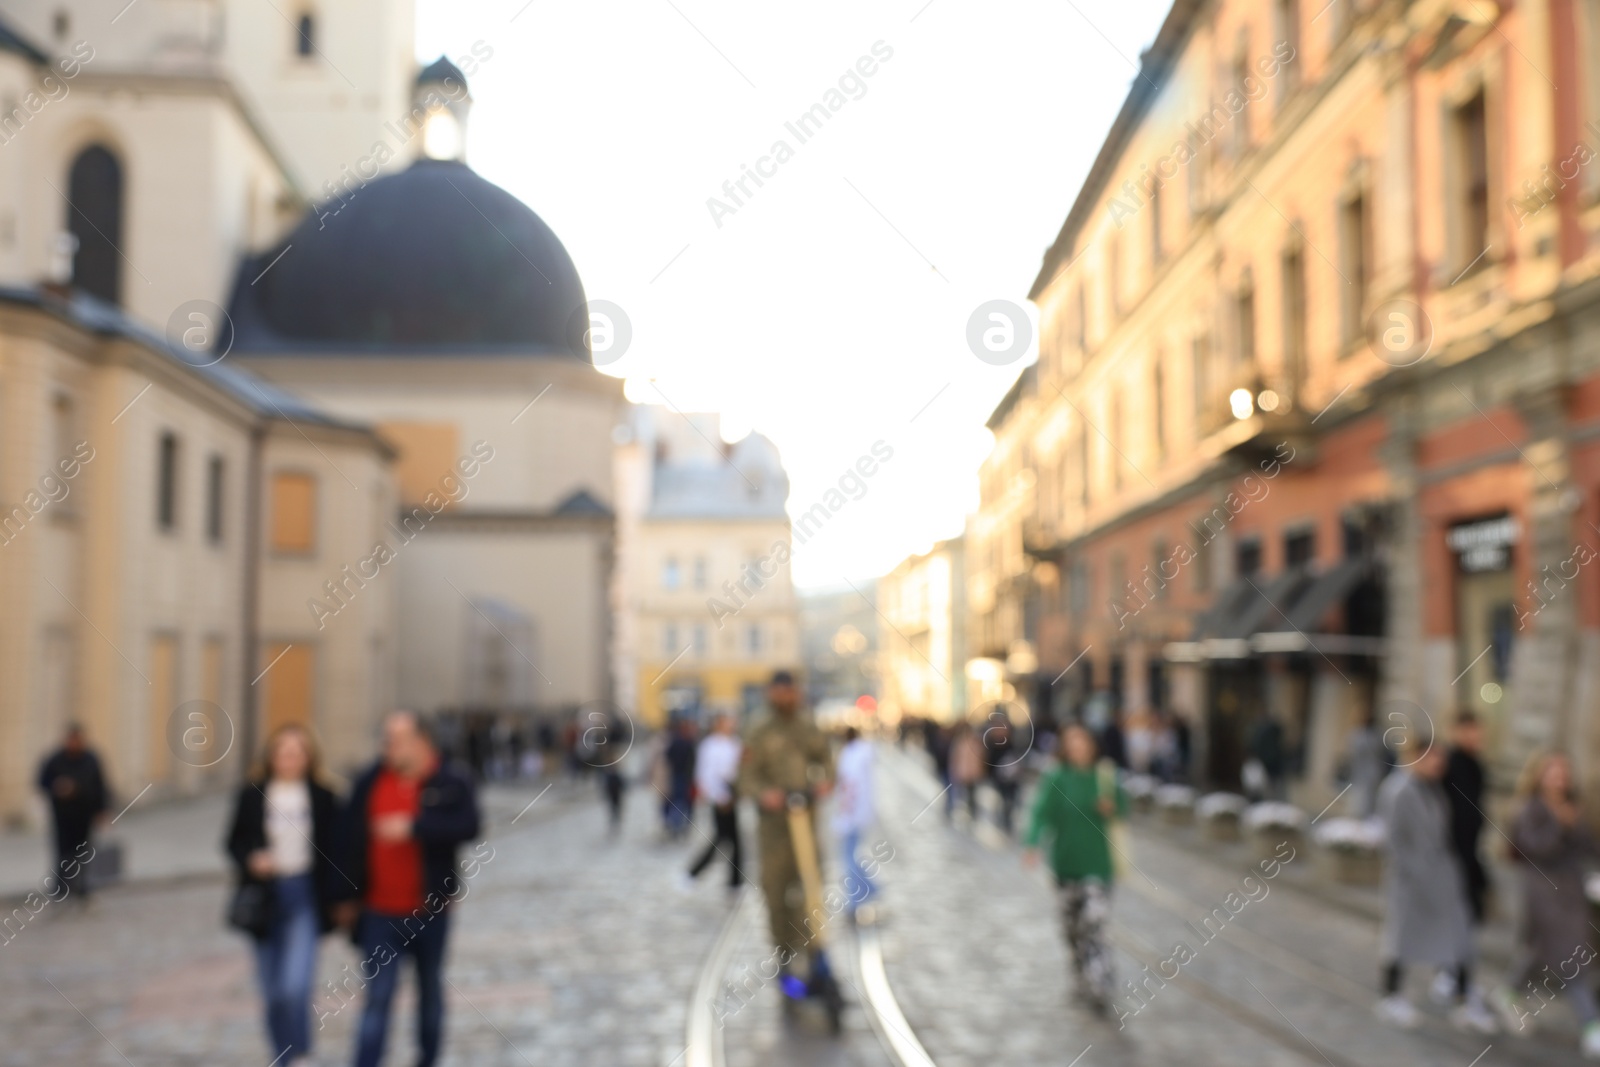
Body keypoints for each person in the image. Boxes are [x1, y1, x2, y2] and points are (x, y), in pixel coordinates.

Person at [337, 711, 482, 1067]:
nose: (387, 746)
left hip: (430, 910)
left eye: (396, 739)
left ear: (421, 743)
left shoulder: (449, 779)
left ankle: (427, 1059)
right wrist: (344, 895)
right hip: (379, 911)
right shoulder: (371, 780)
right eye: (385, 738)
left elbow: (469, 825)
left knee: (429, 991)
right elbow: (345, 837)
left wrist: (415, 827)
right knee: (378, 995)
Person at [225, 724, 342, 1067]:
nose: (290, 758)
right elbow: (233, 841)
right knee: (273, 992)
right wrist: (251, 859)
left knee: (296, 985)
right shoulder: (253, 795)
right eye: (283, 751)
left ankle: (301, 1053)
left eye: (297, 751)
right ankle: (282, 1057)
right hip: (265, 897)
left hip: (303, 893)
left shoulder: (323, 796)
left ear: (309, 757)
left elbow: (338, 848)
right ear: (271, 756)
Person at [1373, 739, 1497, 1033]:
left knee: (1459, 935)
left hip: (1443, 876)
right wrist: (1414, 872)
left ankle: (1461, 995)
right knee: (1402, 938)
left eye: (1441, 759)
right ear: (1415, 757)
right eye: (1433, 759)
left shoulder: (1435, 789)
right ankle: (1392, 996)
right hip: (1412, 880)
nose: (1439, 765)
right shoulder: (1398, 790)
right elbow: (1393, 839)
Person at [1492, 751, 1600, 1056]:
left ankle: (1508, 991)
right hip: (1542, 891)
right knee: (1573, 955)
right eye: (1553, 771)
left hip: (1571, 891)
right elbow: (1536, 848)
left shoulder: (1572, 807)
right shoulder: (1530, 809)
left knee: (1540, 950)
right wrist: (1560, 826)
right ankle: (1592, 1025)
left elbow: (1587, 846)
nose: (1559, 778)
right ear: (1539, 775)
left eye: (1563, 772)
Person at [737, 670, 834, 986]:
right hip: (774, 830)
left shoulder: (807, 725)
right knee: (776, 894)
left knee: (811, 892)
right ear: (770, 694)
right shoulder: (758, 729)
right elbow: (746, 775)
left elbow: (827, 760)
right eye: (780, 693)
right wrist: (765, 794)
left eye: (790, 692)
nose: (786, 698)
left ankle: (813, 952)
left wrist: (823, 783)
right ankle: (784, 955)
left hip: (806, 824)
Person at [1023, 724, 1127, 1015]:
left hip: (1098, 865)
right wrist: (1032, 844)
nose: (1078, 747)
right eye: (1072, 742)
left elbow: (1123, 807)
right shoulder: (1057, 777)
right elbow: (1041, 813)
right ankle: (1081, 973)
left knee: (1095, 923)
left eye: (1083, 740)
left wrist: (1112, 806)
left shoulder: (1105, 775)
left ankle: (1100, 981)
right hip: (1067, 866)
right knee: (1072, 927)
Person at [36, 723, 108, 902]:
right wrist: (57, 787)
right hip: (62, 816)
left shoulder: (90, 759)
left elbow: (100, 786)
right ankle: (60, 891)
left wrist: (102, 810)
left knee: (83, 853)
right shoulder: (56, 759)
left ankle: (82, 889)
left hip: (84, 815)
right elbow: (42, 782)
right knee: (62, 853)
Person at [686, 713, 744, 889]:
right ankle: (694, 872)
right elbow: (705, 773)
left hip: (733, 794)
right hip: (719, 796)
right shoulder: (710, 745)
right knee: (721, 838)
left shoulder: (735, 743)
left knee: (734, 839)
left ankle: (735, 880)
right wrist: (717, 795)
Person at [1442, 712, 1489, 924]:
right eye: (1468, 731)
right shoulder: (1449, 763)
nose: (1474, 737)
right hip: (1452, 846)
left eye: (1476, 731)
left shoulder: (1476, 765)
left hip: (1469, 844)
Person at [834, 727, 879, 916]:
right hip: (860, 812)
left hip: (852, 813)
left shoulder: (851, 756)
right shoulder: (862, 754)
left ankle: (855, 898)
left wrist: (846, 812)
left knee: (848, 856)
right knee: (850, 854)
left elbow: (849, 785)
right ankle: (870, 887)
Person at [1346, 711, 1389, 819]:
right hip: (1368, 772)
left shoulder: (1359, 736)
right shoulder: (1375, 736)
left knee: (1364, 800)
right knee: (1364, 800)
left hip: (1367, 773)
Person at [664, 717, 699, 839]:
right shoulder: (689, 743)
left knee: (679, 801)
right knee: (684, 802)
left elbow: (668, 757)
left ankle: (676, 825)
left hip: (678, 775)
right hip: (686, 777)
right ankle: (682, 825)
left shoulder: (676, 741)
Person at [948, 722, 984, 822]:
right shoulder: (960, 742)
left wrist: (979, 771)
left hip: (972, 774)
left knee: (971, 795)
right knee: (961, 794)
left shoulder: (976, 743)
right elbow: (955, 757)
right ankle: (960, 810)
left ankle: (971, 812)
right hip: (962, 772)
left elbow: (980, 759)